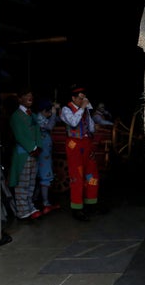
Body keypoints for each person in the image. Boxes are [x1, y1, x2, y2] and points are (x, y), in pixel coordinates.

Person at [60, 84, 101, 221]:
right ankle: (77, 208)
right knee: (76, 176)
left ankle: (91, 204)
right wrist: (82, 108)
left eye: (84, 98)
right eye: (80, 98)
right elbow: (73, 122)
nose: (82, 100)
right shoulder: (66, 110)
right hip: (74, 145)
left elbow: (91, 128)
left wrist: (88, 111)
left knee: (92, 175)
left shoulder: (85, 110)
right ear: (73, 98)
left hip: (87, 143)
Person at [8, 87, 43, 221]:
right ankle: (23, 211)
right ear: (19, 99)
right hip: (23, 154)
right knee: (22, 183)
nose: (30, 97)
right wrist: (33, 147)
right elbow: (19, 135)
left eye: (31, 95)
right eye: (27, 95)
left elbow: (38, 132)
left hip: (34, 153)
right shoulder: (16, 116)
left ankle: (30, 206)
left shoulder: (32, 115)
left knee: (31, 182)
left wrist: (38, 146)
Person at [33, 98, 61, 214]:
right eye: (48, 111)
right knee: (45, 177)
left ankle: (35, 200)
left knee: (41, 177)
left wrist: (57, 112)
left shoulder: (42, 117)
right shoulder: (39, 118)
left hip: (45, 151)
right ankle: (45, 203)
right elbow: (50, 126)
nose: (50, 114)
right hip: (43, 153)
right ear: (44, 110)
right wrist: (54, 114)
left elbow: (58, 120)